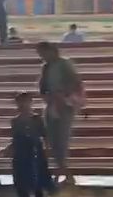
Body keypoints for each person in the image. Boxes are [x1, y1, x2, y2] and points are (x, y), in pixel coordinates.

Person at [36, 41, 84, 187]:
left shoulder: (65, 64)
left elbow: (75, 82)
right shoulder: (45, 67)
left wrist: (63, 94)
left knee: (61, 140)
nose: (42, 57)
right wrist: (47, 96)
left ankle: (61, 175)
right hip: (51, 104)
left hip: (65, 105)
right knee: (51, 140)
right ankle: (65, 174)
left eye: (43, 53)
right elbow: (42, 87)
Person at [7, 92, 55, 197]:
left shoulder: (37, 119)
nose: (23, 105)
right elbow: (15, 140)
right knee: (20, 181)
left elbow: (45, 136)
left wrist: (47, 149)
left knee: (37, 180)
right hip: (20, 154)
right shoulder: (15, 121)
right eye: (20, 102)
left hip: (35, 153)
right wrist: (7, 150)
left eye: (26, 102)